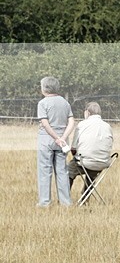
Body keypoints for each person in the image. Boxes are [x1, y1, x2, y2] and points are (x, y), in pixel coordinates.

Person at [36, 76, 75, 207]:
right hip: (62, 142)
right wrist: (62, 138)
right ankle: (66, 202)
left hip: (46, 140)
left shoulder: (42, 103)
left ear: (44, 89)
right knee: (62, 171)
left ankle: (45, 202)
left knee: (45, 171)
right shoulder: (65, 102)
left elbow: (45, 124)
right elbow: (71, 121)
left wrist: (55, 137)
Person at [67, 101, 114, 199]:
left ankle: (65, 198)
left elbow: (73, 149)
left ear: (87, 112)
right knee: (92, 173)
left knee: (68, 171)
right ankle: (85, 198)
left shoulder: (82, 125)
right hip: (102, 163)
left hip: (84, 162)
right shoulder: (108, 126)